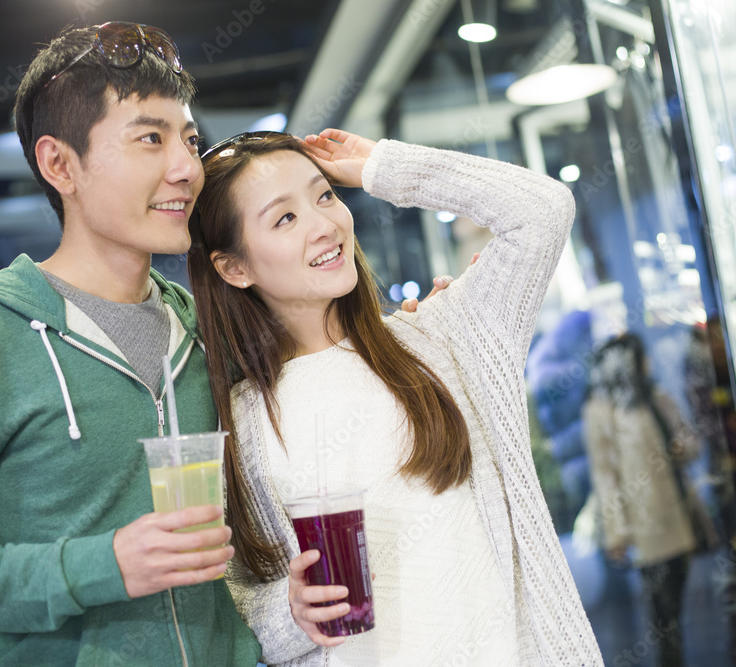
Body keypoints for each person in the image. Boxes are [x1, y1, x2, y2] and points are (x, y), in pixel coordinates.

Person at [0, 23, 263, 666]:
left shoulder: (205, 328)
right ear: (59, 165)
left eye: (188, 139)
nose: (189, 166)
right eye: (150, 139)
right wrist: (100, 566)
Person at [188, 129, 603, 665]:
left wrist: (381, 165)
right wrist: (290, 615)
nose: (323, 225)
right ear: (233, 268)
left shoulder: (447, 336)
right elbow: (235, 603)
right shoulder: (237, 424)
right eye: (284, 218)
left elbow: (543, 211)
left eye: (325, 196)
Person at [581, 332, 700, 667]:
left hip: (679, 513)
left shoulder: (655, 396)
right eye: (640, 357)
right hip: (645, 526)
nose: (647, 362)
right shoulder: (601, 411)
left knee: (675, 606)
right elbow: (605, 476)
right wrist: (617, 533)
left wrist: (682, 447)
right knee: (662, 617)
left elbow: (691, 441)